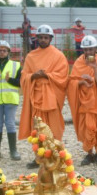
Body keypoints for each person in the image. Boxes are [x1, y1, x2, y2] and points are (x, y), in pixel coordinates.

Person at [19, 24, 69, 169]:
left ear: (51, 39)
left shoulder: (58, 56)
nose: (43, 40)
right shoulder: (31, 56)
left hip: (51, 98)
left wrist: (46, 75)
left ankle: (55, 155)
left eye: (46, 37)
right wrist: (34, 75)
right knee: (37, 128)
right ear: (37, 38)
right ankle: (39, 158)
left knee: (53, 128)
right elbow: (24, 76)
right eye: (40, 37)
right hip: (36, 97)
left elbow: (63, 76)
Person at [67, 35, 97, 166]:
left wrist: (94, 70)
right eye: (85, 50)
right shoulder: (79, 62)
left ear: (96, 49)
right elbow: (72, 81)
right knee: (86, 128)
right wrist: (81, 82)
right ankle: (89, 154)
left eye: (90, 49)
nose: (88, 52)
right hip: (84, 102)